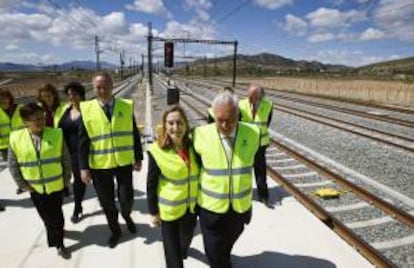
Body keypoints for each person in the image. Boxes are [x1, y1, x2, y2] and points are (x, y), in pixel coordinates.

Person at [193, 91, 260, 268]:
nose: (225, 124)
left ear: (238, 114)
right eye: (219, 119)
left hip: (239, 208)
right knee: (214, 252)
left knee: (226, 245)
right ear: (213, 115)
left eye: (230, 119)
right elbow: (193, 169)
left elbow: (258, 163)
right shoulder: (200, 135)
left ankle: (224, 258)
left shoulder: (253, 133)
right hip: (210, 208)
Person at [79, 71, 143, 248]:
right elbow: (83, 142)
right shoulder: (87, 109)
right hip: (100, 164)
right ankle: (115, 230)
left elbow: (134, 134)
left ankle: (127, 215)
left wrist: (138, 157)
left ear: (112, 86)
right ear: (94, 88)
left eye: (105, 86)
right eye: (98, 87)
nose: (102, 90)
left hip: (123, 161)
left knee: (126, 198)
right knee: (107, 202)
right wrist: (83, 168)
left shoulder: (125, 106)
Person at [8, 103, 72, 259]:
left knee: (57, 216)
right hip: (34, 188)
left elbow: (66, 159)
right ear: (25, 122)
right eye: (35, 119)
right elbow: (12, 165)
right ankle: (55, 232)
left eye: (42, 118)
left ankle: (59, 244)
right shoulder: (16, 138)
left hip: (55, 184)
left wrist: (66, 179)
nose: (40, 121)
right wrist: (23, 185)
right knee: (46, 216)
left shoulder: (56, 134)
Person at [147, 106, 199, 268]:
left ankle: (183, 250)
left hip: (191, 209)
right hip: (169, 212)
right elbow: (151, 184)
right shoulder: (157, 151)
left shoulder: (194, 147)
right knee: (174, 260)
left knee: (185, 241)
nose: (175, 128)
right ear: (164, 125)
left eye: (179, 123)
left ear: (186, 125)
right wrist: (154, 211)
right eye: (171, 123)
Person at [239, 84, 273, 206]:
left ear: (260, 96)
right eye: (249, 96)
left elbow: (267, 122)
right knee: (242, 169)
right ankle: (242, 192)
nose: (250, 100)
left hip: (260, 143)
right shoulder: (241, 104)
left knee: (260, 170)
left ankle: (263, 195)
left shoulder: (268, 105)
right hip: (245, 144)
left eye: (253, 97)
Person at [59, 82, 87, 223]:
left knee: (82, 181)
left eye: (75, 94)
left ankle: (78, 207)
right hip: (70, 152)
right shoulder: (66, 111)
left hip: (86, 152)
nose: (72, 97)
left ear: (81, 95)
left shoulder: (89, 110)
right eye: (69, 95)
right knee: (77, 181)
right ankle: (78, 207)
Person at [37, 84, 71, 197]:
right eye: (44, 96)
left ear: (54, 95)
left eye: (50, 96)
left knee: (64, 164)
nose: (48, 99)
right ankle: (55, 185)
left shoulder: (64, 107)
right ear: (41, 97)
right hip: (47, 142)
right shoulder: (38, 109)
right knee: (53, 165)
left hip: (63, 140)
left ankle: (65, 185)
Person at [0, 90, 25, 161]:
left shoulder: (21, 109)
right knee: (11, 167)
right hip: (5, 147)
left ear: (9, 99)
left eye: (4, 98)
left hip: (21, 143)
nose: (2, 101)